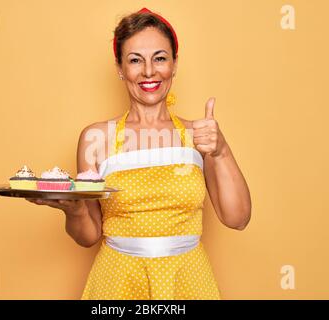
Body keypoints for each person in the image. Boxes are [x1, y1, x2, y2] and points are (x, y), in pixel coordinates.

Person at [27, 7, 251, 300]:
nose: (148, 71)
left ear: (174, 64)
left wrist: (221, 151)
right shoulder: (96, 138)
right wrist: (75, 208)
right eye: (135, 60)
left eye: (160, 58)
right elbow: (89, 236)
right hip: (118, 281)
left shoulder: (201, 135)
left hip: (188, 279)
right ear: (120, 68)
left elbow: (238, 219)